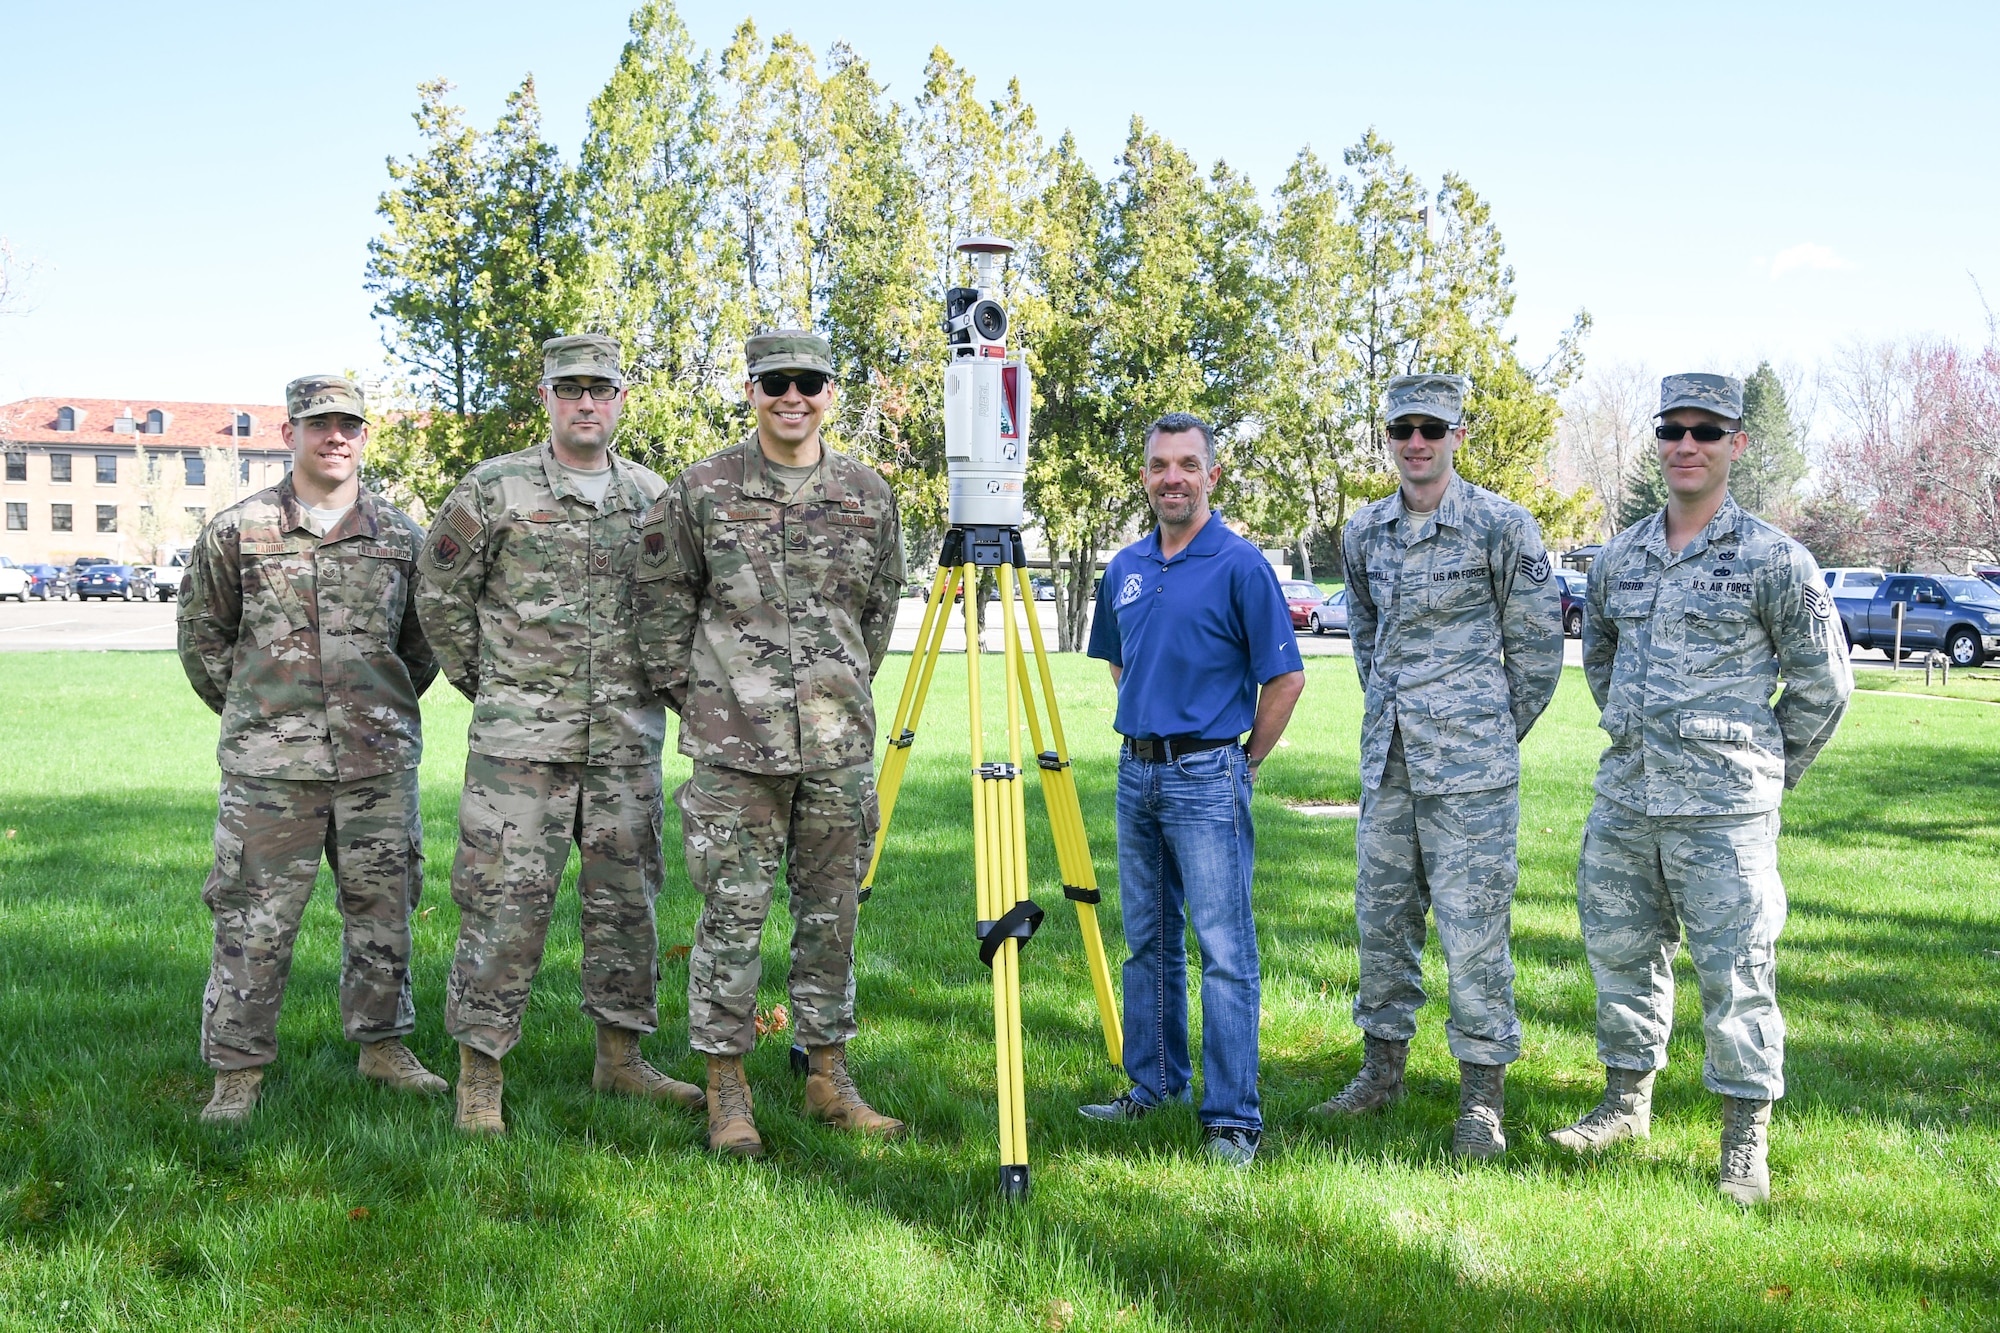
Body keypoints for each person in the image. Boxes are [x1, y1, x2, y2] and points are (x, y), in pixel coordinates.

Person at [1548, 372, 1851, 1204]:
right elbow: (1601, 657)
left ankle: (1744, 1136)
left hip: (1726, 811)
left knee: (1737, 969)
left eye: (1706, 431)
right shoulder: (1621, 557)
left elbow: (1825, 684)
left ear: (1736, 446)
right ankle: (1624, 1101)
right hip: (1629, 800)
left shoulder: (1775, 560)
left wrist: (1763, 767)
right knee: (1620, 953)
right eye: (1672, 429)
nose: (1687, 444)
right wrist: (1634, 732)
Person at [415, 334, 700, 1135]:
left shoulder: (653, 498)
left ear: (618, 400)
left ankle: (620, 1060)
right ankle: (480, 1075)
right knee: (502, 907)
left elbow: (677, 606)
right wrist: (495, 685)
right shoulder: (494, 488)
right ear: (546, 397)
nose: (585, 403)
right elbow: (439, 596)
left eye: (599, 390)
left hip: (622, 744)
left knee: (627, 908)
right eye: (569, 388)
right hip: (519, 752)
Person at [634, 330, 907, 1158]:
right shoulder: (702, 490)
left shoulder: (867, 493)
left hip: (835, 748)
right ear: (751, 390)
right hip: (735, 752)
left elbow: (877, 612)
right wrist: (714, 702)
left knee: (832, 918)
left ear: (831, 391)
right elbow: (659, 609)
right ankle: (727, 1089)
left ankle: (829, 1075)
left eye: (809, 382)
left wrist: (833, 691)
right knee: (732, 920)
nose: (793, 397)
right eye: (775, 382)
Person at [178, 373, 445, 1123]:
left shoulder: (400, 536)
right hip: (271, 770)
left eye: (350, 425)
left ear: (364, 436)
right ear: (290, 430)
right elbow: (203, 638)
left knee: (385, 909)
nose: (336, 436)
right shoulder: (239, 531)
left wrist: (374, 713)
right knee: (251, 918)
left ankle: (383, 1044)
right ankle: (237, 1070)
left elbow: (418, 648)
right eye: (321, 422)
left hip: (377, 766)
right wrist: (260, 715)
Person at [1318, 373, 1563, 1158]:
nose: (1416, 442)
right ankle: (1381, 1073)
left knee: (1475, 936)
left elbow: (1536, 654)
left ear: (1458, 434)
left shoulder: (1501, 526)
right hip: (1390, 765)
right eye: (1402, 429)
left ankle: (1481, 1099)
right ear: (1388, 438)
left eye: (1431, 427)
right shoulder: (1364, 534)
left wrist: (1483, 732)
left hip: (1472, 777)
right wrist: (1402, 719)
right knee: (1382, 924)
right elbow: (1366, 639)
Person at [1079, 411, 1305, 1168]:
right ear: (1144, 476)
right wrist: (1152, 732)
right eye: (1158, 465)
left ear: (1213, 474)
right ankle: (1154, 1086)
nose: (1171, 476)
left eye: (1186, 463)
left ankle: (1234, 1117)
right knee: (1148, 941)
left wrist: (1243, 759)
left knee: (1224, 948)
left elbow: (1286, 676)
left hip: (1209, 774)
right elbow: (1121, 663)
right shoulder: (1126, 566)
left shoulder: (1240, 564)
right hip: (1134, 771)